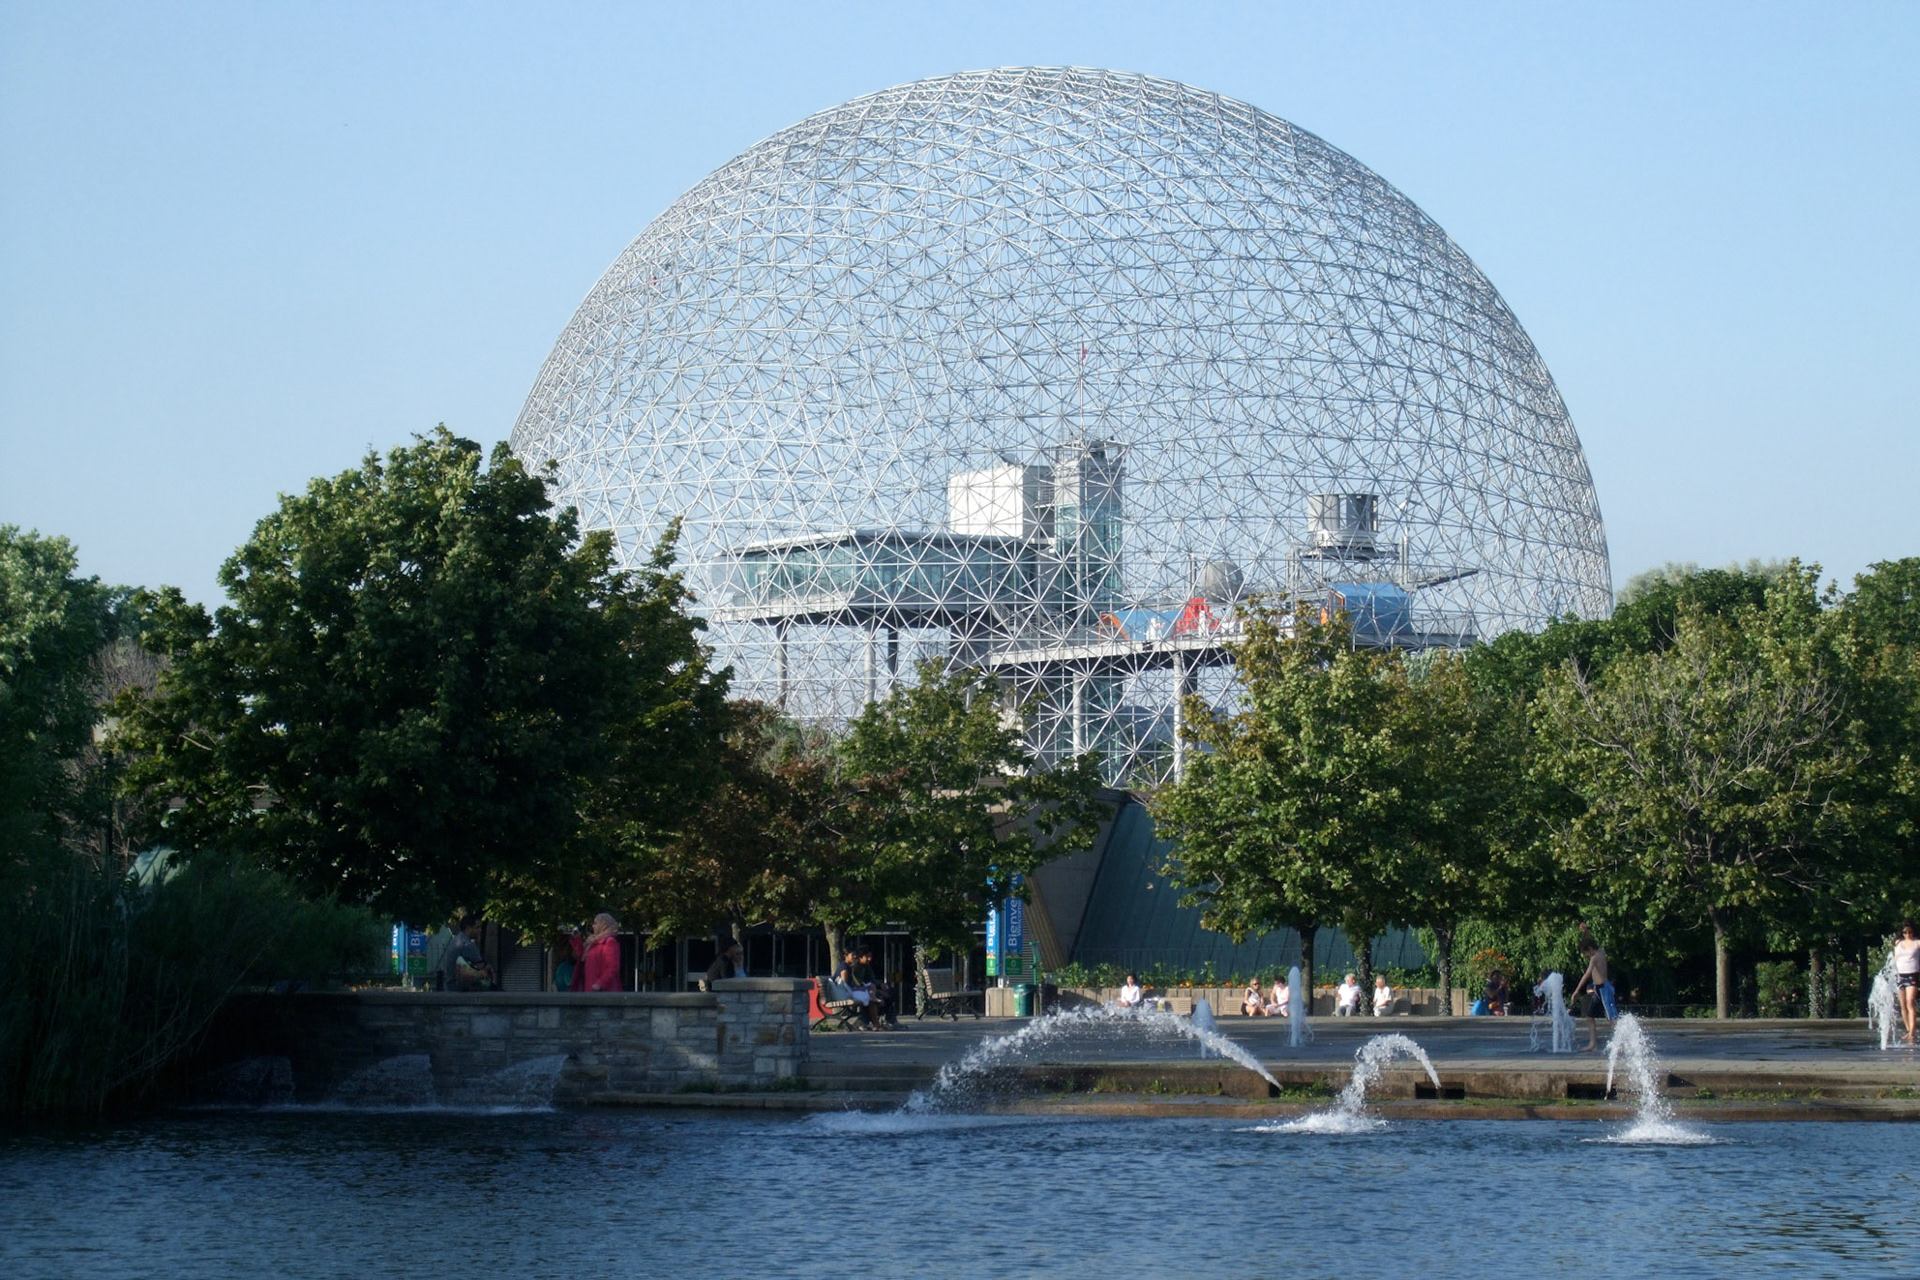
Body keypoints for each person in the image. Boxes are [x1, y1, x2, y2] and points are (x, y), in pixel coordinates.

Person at [1567, 936, 1614, 1051]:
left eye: (1585, 953)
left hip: (1604, 989)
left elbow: (1587, 974)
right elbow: (1591, 940)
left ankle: (1621, 1043)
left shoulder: (1594, 958)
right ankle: (1593, 1044)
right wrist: (1585, 932)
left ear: (1590, 949)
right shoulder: (1601, 951)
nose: (1586, 956)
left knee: (1611, 1017)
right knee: (1589, 1015)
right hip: (1598, 989)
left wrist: (1577, 990)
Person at [570, 912, 623, 993]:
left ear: (603, 925)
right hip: (590, 988)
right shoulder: (593, 942)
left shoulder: (609, 942)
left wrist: (600, 984)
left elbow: (612, 967)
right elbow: (582, 957)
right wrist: (577, 939)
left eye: (595, 923)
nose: (593, 926)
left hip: (604, 991)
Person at [440, 914, 493, 992]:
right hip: (463, 987)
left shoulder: (456, 940)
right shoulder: (467, 944)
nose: (480, 930)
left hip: (451, 985)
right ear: (468, 928)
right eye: (477, 927)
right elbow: (481, 966)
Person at [1894, 920, 1920, 1046]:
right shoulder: (1898, 943)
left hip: (1912, 974)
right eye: (1905, 932)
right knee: (1903, 1004)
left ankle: (1912, 1032)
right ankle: (1909, 1030)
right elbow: (1895, 959)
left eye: (1909, 932)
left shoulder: (1917, 943)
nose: (1907, 934)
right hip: (1900, 975)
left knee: (1910, 1002)